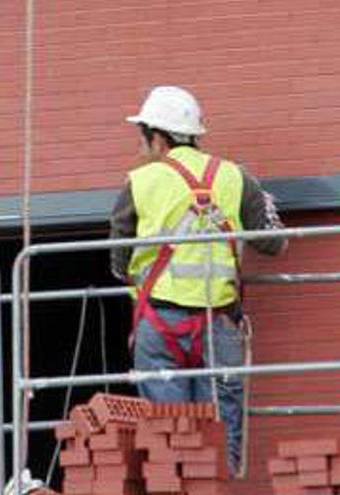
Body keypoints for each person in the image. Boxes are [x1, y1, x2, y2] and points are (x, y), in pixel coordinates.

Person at [109, 86, 287, 476]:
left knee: (170, 436)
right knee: (219, 436)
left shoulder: (140, 183)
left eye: (142, 135)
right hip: (219, 325)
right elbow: (274, 243)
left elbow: (119, 263)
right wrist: (262, 207)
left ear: (157, 136)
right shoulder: (237, 178)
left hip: (160, 325)